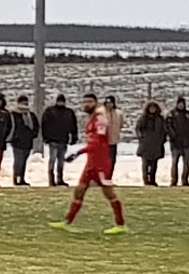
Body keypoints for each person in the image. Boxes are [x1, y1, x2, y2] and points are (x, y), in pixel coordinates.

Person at [52, 92, 126, 234]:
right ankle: (67, 221)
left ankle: (121, 224)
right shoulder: (93, 118)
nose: (86, 104)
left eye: (89, 102)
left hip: (101, 162)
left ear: (96, 103)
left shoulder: (100, 119)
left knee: (109, 193)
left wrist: (79, 152)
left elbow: (98, 142)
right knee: (79, 190)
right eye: (84, 101)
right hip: (91, 162)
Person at [40, 94, 77, 187]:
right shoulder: (50, 111)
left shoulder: (68, 112)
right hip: (53, 140)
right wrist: (46, 137)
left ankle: (60, 178)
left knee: (60, 161)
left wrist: (74, 137)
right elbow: (44, 124)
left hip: (63, 140)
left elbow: (73, 126)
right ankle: (51, 179)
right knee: (52, 159)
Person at [166, 96, 189, 186]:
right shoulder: (171, 115)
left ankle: (185, 180)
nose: (181, 105)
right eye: (179, 104)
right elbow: (168, 127)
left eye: (182, 104)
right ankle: (174, 180)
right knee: (174, 163)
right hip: (175, 143)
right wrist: (173, 136)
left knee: (186, 163)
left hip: (187, 142)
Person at [132, 100, 165, 186]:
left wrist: (162, 139)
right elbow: (138, 128)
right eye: (151, 108)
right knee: (145, 164)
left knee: (154, 165)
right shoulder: (144, 118)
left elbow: (164, 130)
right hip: (145, 144)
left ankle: (153, 180)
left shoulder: (160, 119)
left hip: (156, 144)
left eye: (154, 108)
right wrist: (141, 137)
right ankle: (146, 180)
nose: (152, 109)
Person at [8, 96, 38, 188]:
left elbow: (36, 125)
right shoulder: (13, 114)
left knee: (24, 161)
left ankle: (22, 178)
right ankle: (16, 177)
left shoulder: (31, 114)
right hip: (17, 141)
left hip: (27, 141)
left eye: (25, 103)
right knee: (18, 160)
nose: (24, 105)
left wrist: (33, 134)